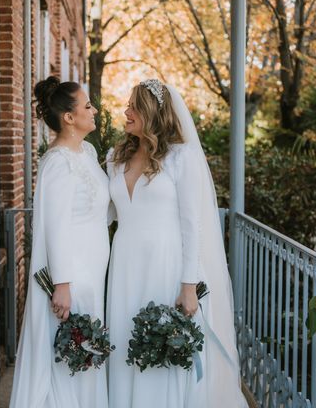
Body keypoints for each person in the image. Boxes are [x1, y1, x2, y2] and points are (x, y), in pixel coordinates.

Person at [106, 79, 247, 407]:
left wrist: (189, 285)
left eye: (133, 106)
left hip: (165, 264)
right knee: (126, 338)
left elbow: (192, 225)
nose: (125, 111)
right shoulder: (116, 156)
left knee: (162, 345)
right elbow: (105, 213)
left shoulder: (181, 157)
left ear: (152, 112)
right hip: (124, 263)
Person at [9, 76, 110, 408]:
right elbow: (54, 227)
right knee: (71, 353)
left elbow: (98, 209)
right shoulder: (57, 162)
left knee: (87, 351)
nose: (94, 110)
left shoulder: (88, 151)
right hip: (73, 275)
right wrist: (62, 283)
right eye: (87, 105)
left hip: (93, 271)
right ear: (69, 117)